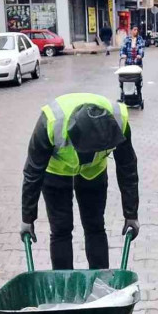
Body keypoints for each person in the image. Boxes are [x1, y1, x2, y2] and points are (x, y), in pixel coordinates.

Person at [21, 93, 139, 270]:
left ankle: (100, 283)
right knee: (61, 229)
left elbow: (127, 167)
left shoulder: (118, 121)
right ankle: (65, 286)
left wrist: (131, 214)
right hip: (56, 171)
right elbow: (33, 172)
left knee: (95, 226)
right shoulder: (51, 122)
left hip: (94, 173)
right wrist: (27, 218)